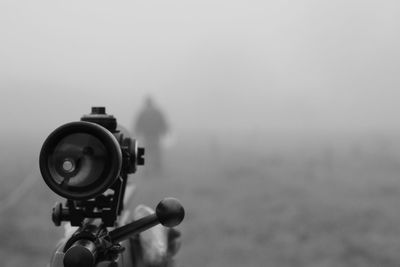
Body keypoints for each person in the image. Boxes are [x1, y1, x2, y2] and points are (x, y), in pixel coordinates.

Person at [134, 96, 168, 175]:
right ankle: (156, 168)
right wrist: (164, 130)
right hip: (155, 134)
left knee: (148, 152)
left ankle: (148, 170)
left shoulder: (143, 112)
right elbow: (162, 122)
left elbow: (138, 124)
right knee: (155, 152)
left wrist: (137, 132)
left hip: (147, 135)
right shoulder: (157, 112)